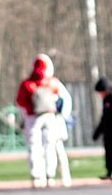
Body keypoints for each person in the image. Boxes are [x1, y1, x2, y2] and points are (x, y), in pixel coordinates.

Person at [17, 54, 72, 185]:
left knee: (34, 147)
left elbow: (20, 102)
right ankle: (50, 175)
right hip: (50, 117)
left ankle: (36, 176)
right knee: (50, 146)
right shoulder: (53, 82)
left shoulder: (27, 84)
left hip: (32, 118)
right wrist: (63, 116)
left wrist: (25, 117)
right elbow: (66, 99)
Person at [91, 77, 112, 181]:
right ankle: (110, 171)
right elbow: (104, 118)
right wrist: (98, 132)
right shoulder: (106, 99)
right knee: (109, 152)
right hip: (108, 132)